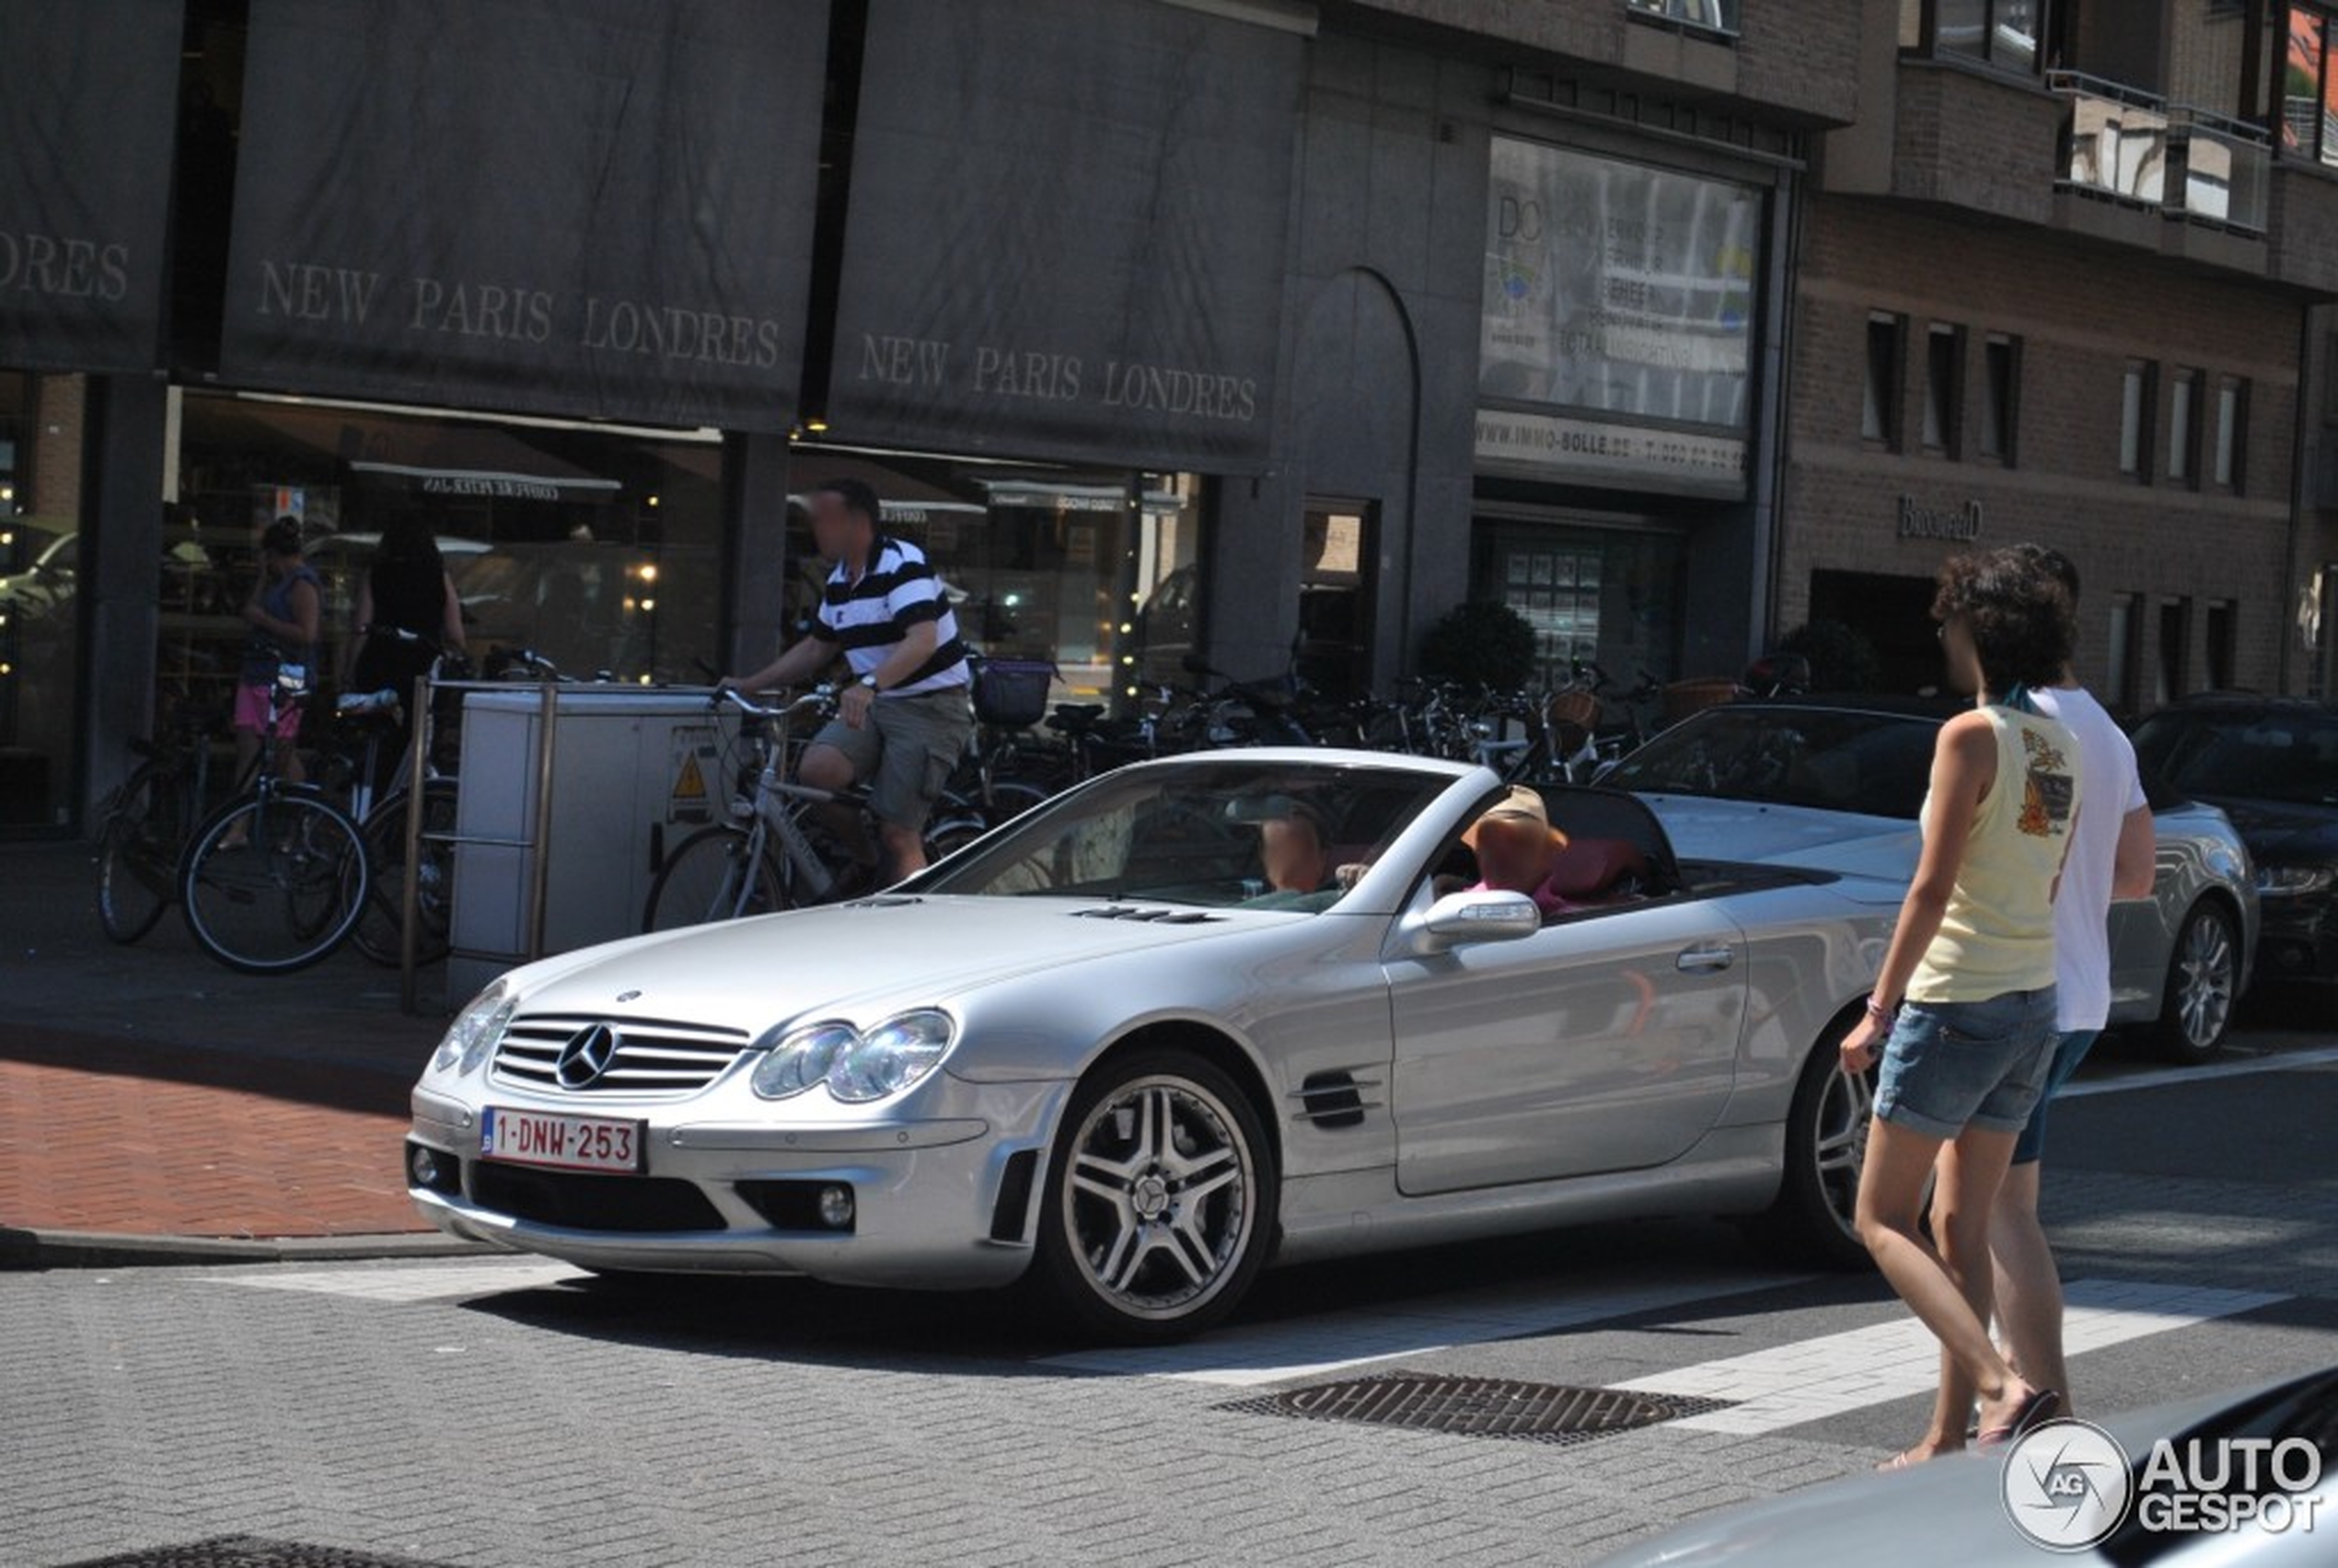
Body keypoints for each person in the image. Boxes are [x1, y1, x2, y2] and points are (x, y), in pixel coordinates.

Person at [1838, 546, 2083, 1470]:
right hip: (2031, 1002)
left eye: (1945, 623)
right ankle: (1946, 1436)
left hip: (1954, 1003)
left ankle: (1998, 1386)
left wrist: (1876, 1010)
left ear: (1973, 628)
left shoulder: (1968, 736)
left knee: (1879, 1220)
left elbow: (1929, 886)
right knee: (1959, 1226)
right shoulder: (2057, 746)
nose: (1940, 638)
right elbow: (2047, 876)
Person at [1916, 545, 2157, 1455]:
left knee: (1959, 1218)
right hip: (2078, 996)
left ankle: (1989, 1407)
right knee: (2004, 1212)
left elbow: (1952, 871)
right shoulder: (2105, 730)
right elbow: (2134, 875)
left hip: (1998, 989)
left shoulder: (2002, 726)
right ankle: (2041, 1404)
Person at [722, 478, 975, 885]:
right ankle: (867, 864)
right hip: (877, 702)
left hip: (929, 704)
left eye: (825, 520)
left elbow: (923, 640)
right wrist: (750, 683)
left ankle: (913, 925)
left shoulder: (901, 562)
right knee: (818, 770)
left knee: (899, 831)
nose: (816, 528)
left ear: (857, 523)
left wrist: (868, 684)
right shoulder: (840, 580)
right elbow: (816, 649)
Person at [343, 512, 468, 787]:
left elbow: (361, 627)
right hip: (420, 673)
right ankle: (402, 808)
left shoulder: (376, 573)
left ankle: (368, 794)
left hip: (377, 667)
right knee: (413, 740)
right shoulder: (438, 576)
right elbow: (456, 635)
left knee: (378, 737)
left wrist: (349, 674)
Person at [227, 517, 324, 815]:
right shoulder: (278, 582)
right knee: (248, 748)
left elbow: (307, 633)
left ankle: (303, 816)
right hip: (258, 671)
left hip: (288, 674)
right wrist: (261, 579)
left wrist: (265, 621)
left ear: (272, 554)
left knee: (282, 751)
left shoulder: (302, 584)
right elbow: (250, 610)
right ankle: (238, 823)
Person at [1460, 785, 1572, 917]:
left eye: (1519, 843)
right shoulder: (1460, 908)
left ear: (1546, 855)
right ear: (1478, 854)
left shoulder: (1572, 921)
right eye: (1490, 845)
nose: (1501, 858)